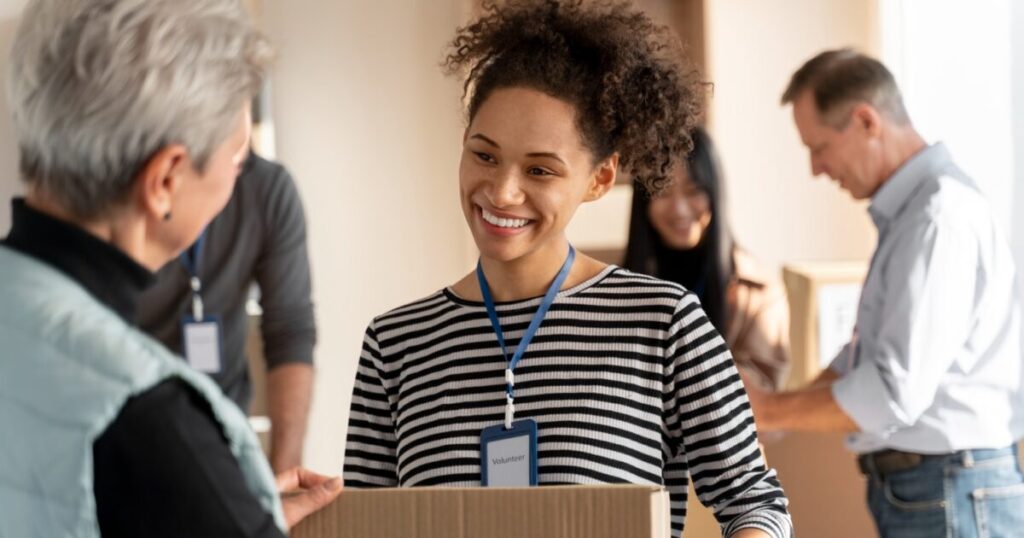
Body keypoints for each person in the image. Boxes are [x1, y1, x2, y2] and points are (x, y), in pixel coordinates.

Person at [343, 2, 793, 537]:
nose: (502, 192)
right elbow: (363, 528)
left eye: (539, 170)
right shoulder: (395, 345)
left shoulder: (664, 324)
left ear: (599, 179)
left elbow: (755, 503)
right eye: (484, 155)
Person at [0, 0, 340, 536]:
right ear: (164, 182)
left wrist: (232, 505)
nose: (239, 177)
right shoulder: (153, 419)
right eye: (235, 160)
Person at [744, 48, 1024, 537]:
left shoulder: (938, 217)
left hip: (950, 489)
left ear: (866, 121)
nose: (816, 169)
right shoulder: (915, 215)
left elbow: (893, 391)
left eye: (819, 147)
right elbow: (864, 358)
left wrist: (767, 410)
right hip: (935, 487)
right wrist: (775, 410)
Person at [138, 149, 316, 473]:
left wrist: (285, 475)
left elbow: (290, 332)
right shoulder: (129, 184)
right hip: (134, 432)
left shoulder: (265, 187)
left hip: (225, 436)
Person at [624, 127, 790, 392]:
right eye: (663, 192)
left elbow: (762, 399)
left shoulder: (758, 291)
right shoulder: (614, 288)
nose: (680, 209)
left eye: (693, 191)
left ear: (714, 193)